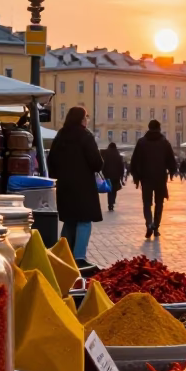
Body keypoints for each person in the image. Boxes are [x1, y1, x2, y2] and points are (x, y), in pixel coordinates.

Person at [47, 106, 103, 261]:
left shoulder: (60, 135)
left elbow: (50, 161)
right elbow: (97, 163)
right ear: (81, 119)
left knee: (70, 221)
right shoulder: (85, 136)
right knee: (84, 221)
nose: (87, 119)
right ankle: (79, 257)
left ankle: (63, 256)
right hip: (83, 187)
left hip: (64, 186)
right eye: (86, 116)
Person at [129, 119, 178, 238]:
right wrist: (172, 171)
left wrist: (136, 176)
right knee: (159, 203)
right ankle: (156, 226)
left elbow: (134, 161)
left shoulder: (141, 142)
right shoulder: (164, 142)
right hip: (160, 178)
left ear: (149, 127)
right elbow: (171, 160)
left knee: (146, 203)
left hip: (146, 178)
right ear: (159, 128)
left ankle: (149, 224)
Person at [101, 142, 126, 212]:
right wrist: (121, 175)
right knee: (114, 190)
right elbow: (121, 165)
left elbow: (103, 164)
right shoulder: (117, 154)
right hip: (116, 176)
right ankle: (113, 201)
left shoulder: (106, 154)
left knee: (109, 190)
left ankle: (110, 204)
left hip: (108, 175)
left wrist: (104, 174)